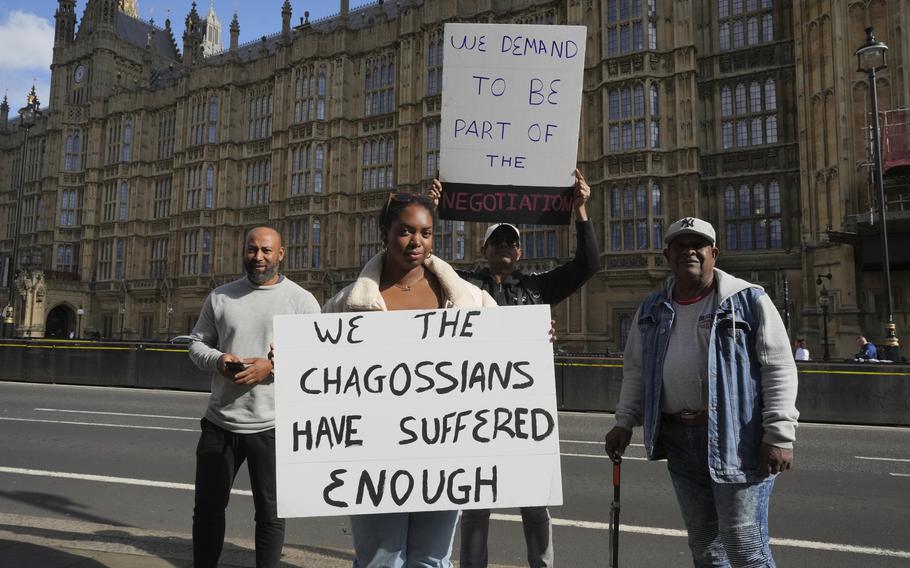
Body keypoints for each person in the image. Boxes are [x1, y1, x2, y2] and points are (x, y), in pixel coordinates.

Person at [604, 217, 799, 568]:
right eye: (680, 246)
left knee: (744, 545)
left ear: (714, 253)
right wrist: (623, 422)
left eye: (698, 245)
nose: (688, 251)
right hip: (679, 437)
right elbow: (635, 370)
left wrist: (780, 434)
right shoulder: (650, 308)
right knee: (705, 547)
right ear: (668, 255)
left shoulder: (748, 300)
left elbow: (778, 366)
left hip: (737, 439)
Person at [431, 169, 599, 568]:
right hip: (473, 409)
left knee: (535, 506)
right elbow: (425, 266)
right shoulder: (465, 285)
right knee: (474, 508)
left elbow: (588, 264)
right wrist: (432, 210)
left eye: (511, 241)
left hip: (524, 411)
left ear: (519, 252)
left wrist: (581, 209)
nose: (505, 245)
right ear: (484, 248)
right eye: (497, 240)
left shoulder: (537, 288)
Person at [322, 192, 497, 568]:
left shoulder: (471, 299)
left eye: (426, 232)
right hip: (373, 455)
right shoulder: (344, 304)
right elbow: (318, 373)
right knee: (380, 560)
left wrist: (536, 337)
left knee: (432, 560)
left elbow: (506, 356)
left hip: (444, 451)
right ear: (384, 234)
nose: (416, 241)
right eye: (405, 231)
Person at [188, 225, 321, 568]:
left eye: (265, 251)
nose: (258, 257)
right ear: (244, 252)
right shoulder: (220, 296)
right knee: (207, 512)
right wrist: (219, 360)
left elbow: (317, 360)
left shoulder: (303, 301)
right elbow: (196, 344)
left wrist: (272, 368)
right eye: (252, 250)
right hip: (220, 423)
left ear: (281, 254)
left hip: (273, 426)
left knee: (271, 516)